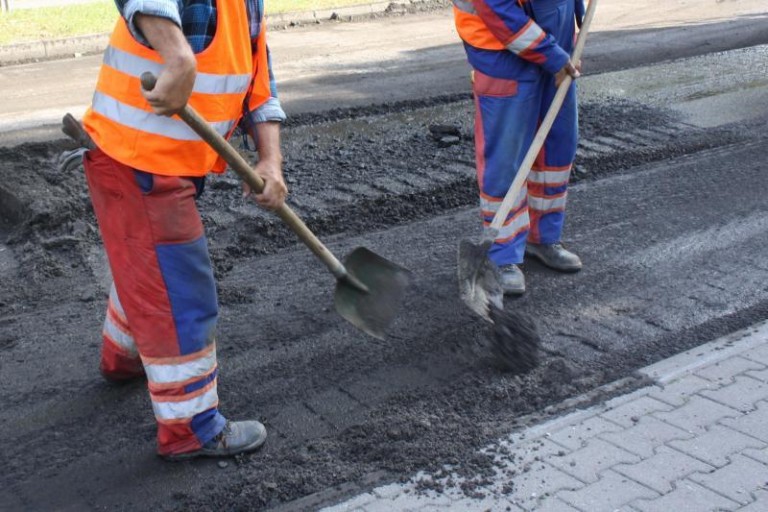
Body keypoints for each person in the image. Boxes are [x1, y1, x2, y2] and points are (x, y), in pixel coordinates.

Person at [80, 0, 287, 460]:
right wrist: (178, 56)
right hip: (135, 161)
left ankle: (122, 359)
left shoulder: (248, 7)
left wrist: (270, 160)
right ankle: (191, 426)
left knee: (149, 268)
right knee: (181, 294)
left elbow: (260, 88)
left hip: (164, 165)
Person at [453, 0, 586, 294]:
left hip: (554, 39)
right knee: (506, 158)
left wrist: (574, 24)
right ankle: (501, 254)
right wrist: (553, 54)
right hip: (500, 49)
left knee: (556, 147)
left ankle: (542, 237)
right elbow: (496, 8)